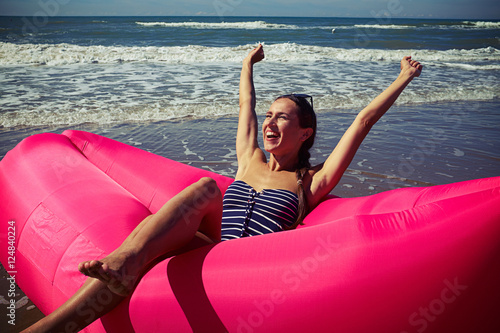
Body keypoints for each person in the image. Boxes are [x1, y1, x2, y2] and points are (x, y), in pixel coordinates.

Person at [23, 44, 422, 332]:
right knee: (205, 191)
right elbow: (245, 105)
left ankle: (124, 262)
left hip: (253, 270)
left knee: (206, 192)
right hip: (213, 253)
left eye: (282, 118)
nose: (270, 122)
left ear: (305, 133)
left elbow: (362, 122)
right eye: (269, 115)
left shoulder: (310, 182)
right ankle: (75, 305)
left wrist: (403, 77)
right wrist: (247, 64)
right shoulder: (249, 160)